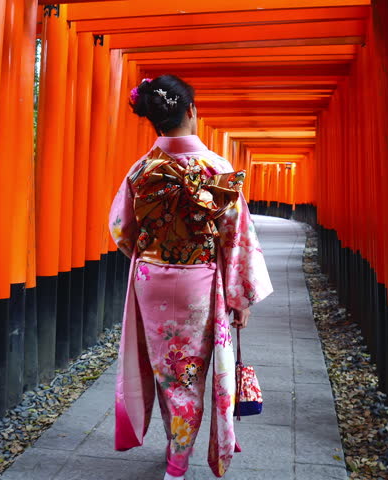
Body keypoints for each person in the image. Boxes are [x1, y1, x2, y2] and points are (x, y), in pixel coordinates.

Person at [108, 74, 273, 479]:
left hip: (152, 277)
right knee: (190, 373)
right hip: (199, 277)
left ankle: (171, 445)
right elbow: (237, 237)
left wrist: (151, 254)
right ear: (192, 111)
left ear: (155, 120)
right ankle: (177, 463)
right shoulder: (217, 167)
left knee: (165, 369)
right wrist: (240, 299)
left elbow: (120, 230)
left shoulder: (142, 168)